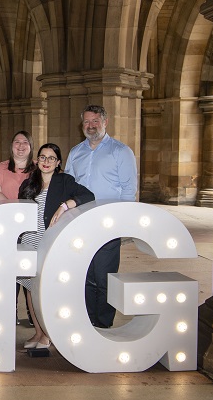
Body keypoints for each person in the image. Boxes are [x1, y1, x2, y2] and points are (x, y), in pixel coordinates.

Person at [64, 104, 138, 328]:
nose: (91, 126)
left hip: (108, 223)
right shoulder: (76, 152)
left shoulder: (120, 151)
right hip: (80, 223)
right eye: (87, 122)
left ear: (106, 122)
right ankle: (87, 322)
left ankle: (103, 324)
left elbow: (128, 190)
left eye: (95, 121)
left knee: (104, 277)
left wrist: (122, 224)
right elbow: (68, 185)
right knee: (84, 275)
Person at [17, 143, 94, 349]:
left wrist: (65, 204)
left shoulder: (64, 181)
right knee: (29, 288)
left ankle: (48, 334)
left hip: (50, 242)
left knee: (45, 290)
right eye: (43, 157)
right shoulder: (28, 184)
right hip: (29, 241)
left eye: (52, 158)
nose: (47, 161)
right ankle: (38, 332)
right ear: (37, 160)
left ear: (58, 162)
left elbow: (88, 196)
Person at [0, 130, 37, 326]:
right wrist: (15, 212)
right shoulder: (0, 168)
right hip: (7, 226)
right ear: (11, 146)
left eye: (25, 142)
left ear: (31, 147)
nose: (20, 146)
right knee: (9, 270)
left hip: (32, 228)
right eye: (16, 142)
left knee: (30, 270)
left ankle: (33, 312)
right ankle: (10, 312)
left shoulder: (38, 168)